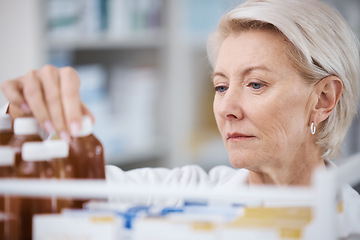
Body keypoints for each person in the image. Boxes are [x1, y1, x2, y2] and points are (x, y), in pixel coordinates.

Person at [1, 0, 359, 237]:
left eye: (255, 84)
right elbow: (62, 191)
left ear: (323, 99)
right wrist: (22, 115)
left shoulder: (350, 224)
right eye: (221, 87)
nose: (226, 107)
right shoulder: (181, 195)